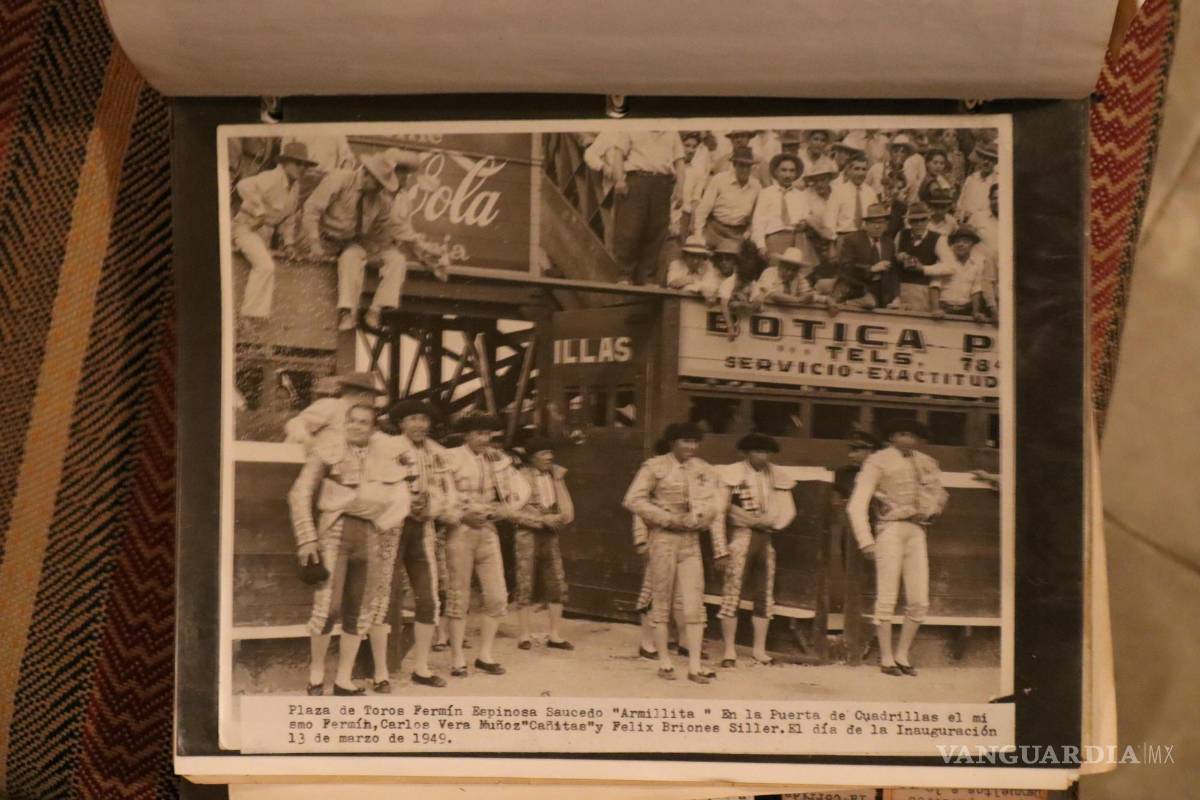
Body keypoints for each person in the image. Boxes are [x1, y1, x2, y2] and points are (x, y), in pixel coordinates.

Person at [289, 403, 412, 696]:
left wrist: (381, 521)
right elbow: (299, 492)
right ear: (346, 423)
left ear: (373, 429)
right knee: (327, 607)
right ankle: (316, 674)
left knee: (360, 610)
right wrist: (306, 537)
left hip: (371, 536)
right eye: (353, 421)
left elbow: (399, 501)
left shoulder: (385, 456)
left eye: (364, 423)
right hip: (335, 533)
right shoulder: (329, 450)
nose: (357, 427)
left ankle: (344, 679)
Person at [623, 422, 728, 684]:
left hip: (691, 539)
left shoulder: (704, 469)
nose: (691, 447)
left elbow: (716, 503)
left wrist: (703, 518)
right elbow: (633, 500)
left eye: (694, 442)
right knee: (661, 598)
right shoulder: (655, 466)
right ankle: (664, 662)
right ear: (672, 442)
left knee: (694, 601)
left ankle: (694, 666)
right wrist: (666, 519)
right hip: (663, 538)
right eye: (685, 441)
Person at [368, 399, 461, 689]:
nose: (419, 424)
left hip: (423, 529)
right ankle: (380, 672)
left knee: (428, 598)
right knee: (382, 597)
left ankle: (421, 667)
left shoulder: (438, 454)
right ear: (401, 424)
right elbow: (376, 485)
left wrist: (434, 506)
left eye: (423, 419)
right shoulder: (385, 447)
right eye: (412, 419)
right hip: (391, 527)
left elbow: (450, 493)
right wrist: (406, 502)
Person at [847, 418, 948, 676]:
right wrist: (865, 540)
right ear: (891, 437)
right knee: (887, 596)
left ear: (919, 439)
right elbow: (857, 503)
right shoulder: (878, 460)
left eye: (912, 435)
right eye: (901, 433)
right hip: (889, 530)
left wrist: (931, 512)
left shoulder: (927, 462)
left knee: (919, 599)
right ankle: (886, 658)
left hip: (917, 530)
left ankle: (902, 655)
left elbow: (940, 496)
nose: (907, 439)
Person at [442, 413, 531, 677]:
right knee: (459, 594)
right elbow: (443, 492)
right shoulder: (451, 457)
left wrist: (506, 510)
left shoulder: (499, 459)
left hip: (488, 529)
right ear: (466, 435)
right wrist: (460, 513)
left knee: (497, 595)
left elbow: (520, 489)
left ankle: (485, 654)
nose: (484, 438)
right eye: (478, 433)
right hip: (460, 529)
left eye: (488, 433)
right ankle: (457, 657)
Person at [300, 152, 410, 331]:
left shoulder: (381, 199)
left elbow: (381, 233)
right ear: (367, 174)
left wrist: (389, 246)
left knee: (396, 260)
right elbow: (312, 209)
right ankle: (347, 311)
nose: (380, 189)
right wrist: (314, 242)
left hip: (350, 244)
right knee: (350, 257)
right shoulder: (340, 179)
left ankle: (375, 310)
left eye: (383, 186)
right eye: (378, 184)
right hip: (322, 238)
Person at [715, 433, 796, 667]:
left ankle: (758, 650)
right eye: (758, 451)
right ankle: (729, 650)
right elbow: (720, 511)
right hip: (740, 538)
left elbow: (788, 510)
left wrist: (772, 523)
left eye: (766, 452)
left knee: (764, 593)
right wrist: (720, 550)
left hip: (766, 538)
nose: (763, 456)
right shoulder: (732, 473)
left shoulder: (775, 474)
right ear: (746, 453)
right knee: (732, 592)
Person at [231, 142, 317, 324]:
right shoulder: (272, 178)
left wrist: (289, 244)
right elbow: (244, 186)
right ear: (285, 163)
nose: (301, 168)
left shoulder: (295, 187)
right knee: (265, 266)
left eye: (304, 165)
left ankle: (253, 318)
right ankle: (249, 318)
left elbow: (289, 218)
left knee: (272, 266)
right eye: (297, 163)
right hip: (245, 229)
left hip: (264, 235)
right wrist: (258, 210)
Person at [510, 437, 575, 651]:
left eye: (550, 452)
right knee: (525, 580)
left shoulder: (555, 478)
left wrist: (559, 481)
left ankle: (555, 634)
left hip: (551, 534)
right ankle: (524, 634)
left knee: (556, 580)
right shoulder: (518, 477)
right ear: (531, 458)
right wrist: (542, 520)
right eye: (543, 453)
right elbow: (513, 512)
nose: (549, 457)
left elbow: (568, 514)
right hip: (527, 534)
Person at [610, 130, 688, 285]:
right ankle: (624, 275)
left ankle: (646, 276)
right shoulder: (633, 126)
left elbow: (680, 162)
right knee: (629, 228)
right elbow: (618, 155)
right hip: (637, 179)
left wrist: (680, 190)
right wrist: (619, 179)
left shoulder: (671, 132)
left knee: (656, 229)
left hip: (662, 183)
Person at [752, 152, 831, 266]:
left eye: (791, 171)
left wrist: (804, 224)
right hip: (774, 237)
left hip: (797, 238)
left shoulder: (801, 195)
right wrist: (761, 246)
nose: (787, 175)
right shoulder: (766, 193)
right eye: (783, 170)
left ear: (796, 174)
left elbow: (806, 217)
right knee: (776, 272)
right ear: (776, 172)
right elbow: (758, 222)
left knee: (799, 273)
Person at [283, 371, 383, 447]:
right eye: (372, 397)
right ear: (362, 394)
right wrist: (309, 443)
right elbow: (295, 424)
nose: (374, 402)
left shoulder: (362, 417)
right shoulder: (331, 405)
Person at [692, 146, 761, 250]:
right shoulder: (719, 180)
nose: (744, 169)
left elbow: (756, 216)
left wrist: (747, 234)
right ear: (734, 165)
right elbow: (703, 210)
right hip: (715, 230)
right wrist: (698, 235)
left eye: (748, 166)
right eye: (741, 165)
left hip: (737, 234)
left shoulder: (756, 186)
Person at [831, 203, 895, 311]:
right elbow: (846, 267)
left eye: (881, 222)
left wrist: (896, 297)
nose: (877, 226)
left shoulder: (889, 243)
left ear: (886, 225)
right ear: (866, 224)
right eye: (873, 222)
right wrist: (871, 269)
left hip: (882, 293)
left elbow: (894, 273)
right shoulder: (852, 239)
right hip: (856, 291)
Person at [923, 224, 990, 321]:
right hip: (943, 309)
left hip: (966, 310)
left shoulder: (979, 261)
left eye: (965, 241)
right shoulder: (944, 260)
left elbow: (976, 289)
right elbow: (935, 286)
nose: (961, 244)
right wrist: (936, 309)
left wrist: (976, 312)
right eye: (957, 241)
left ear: (972, 244)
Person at [892, 202, 950, 313]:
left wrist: (923, 268)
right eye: (914, 220)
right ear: (909, 222)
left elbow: (949, 267)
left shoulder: (938, 239)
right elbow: (892, 257)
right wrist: (899, 257)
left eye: (922, 220)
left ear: (928, 220)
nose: (919, 224)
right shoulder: (901, 234)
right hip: (900, 289)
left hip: (923, 289)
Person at [823, 153, 879, 246]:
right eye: (856, 169)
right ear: (848, 170)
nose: (861, 173)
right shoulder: (838, 192)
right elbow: (829, 221)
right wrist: (832, 243)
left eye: (864, 169)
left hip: (865, 239)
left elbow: (875, 219)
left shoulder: (871, 193)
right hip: (844, 238)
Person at [969, 183, 1001, 316]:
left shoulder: (1015, 220)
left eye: (1001, 197)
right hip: (978, 276)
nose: (997, 201)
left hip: (1001, 278)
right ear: (989, 198)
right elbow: (964, 240)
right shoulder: (978, 218)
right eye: (994, 198)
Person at [756, 247, 821, 307]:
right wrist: (798, 300)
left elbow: (808, 295)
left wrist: (826, 299)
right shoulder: (769, 272)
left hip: (788, 313)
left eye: (794, 270)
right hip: (765, 311)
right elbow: (773, 294)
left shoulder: (799, 277)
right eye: (787, 268)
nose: (790, 273)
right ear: (780, 265)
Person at [665, 235, 720, 301]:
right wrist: (694, 281)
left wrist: (688, 283)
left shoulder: (707, 266)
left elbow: (712, 287)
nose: (695, 261)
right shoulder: (676, 264)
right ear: (685, 255)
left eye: (699, 257)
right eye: (692, 256)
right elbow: (673, 283)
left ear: (703, 257)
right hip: (676, 303)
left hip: (699, 305)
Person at [718, 257, 762, 340]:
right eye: (742, 280)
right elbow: (724, 305)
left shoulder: (752, 283)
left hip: (746, 323)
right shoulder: (728, 283)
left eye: (747, 281)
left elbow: (758, 303)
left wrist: (742, 304)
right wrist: (730, 328)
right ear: (737, 274)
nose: (744, 283)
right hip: (732, 319)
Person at [957, 141, 998, 221]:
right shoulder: (971, 178)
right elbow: (961, 201)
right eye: (984, 158)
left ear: (995, 162)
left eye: (990, 159)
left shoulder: (997, 181)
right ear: (980, 159)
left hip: (985, 224)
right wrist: (962, 215)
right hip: (965, 222)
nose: (986, 162)